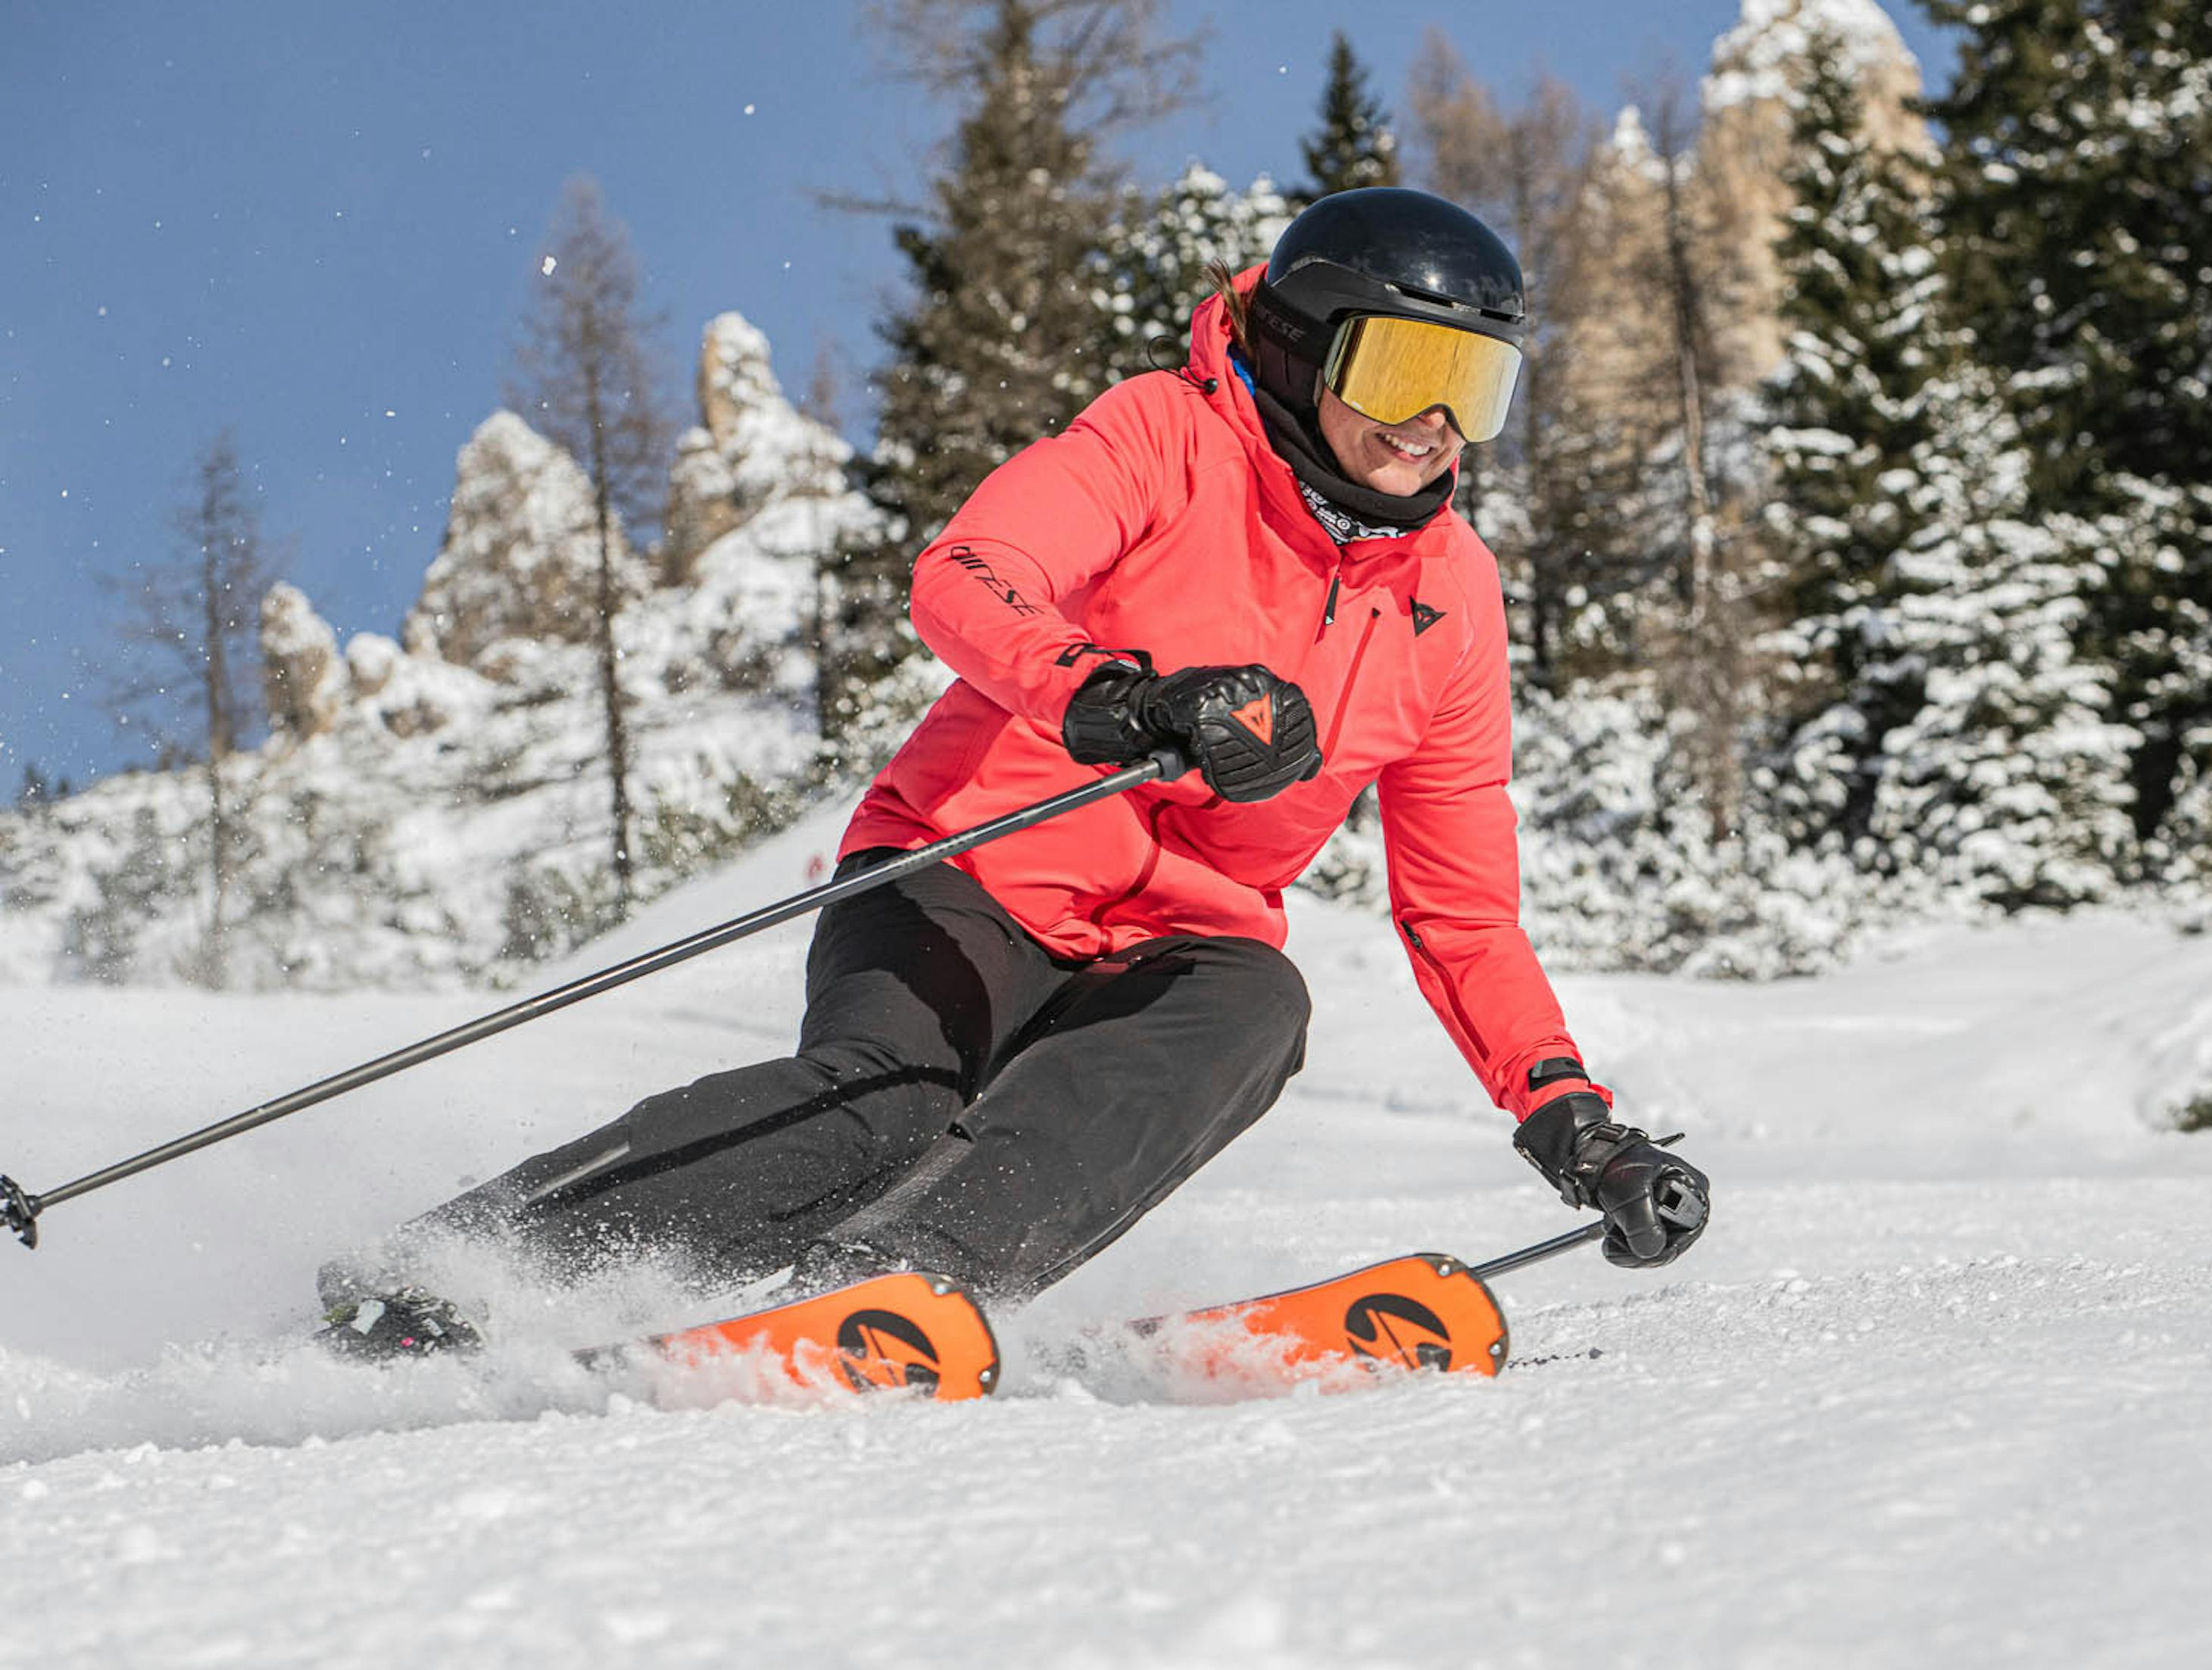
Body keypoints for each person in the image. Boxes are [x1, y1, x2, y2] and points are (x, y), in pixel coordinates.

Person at [320, 187, 1711, 1359]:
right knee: (890, 1101)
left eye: (1476, 387)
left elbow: (1461, 908)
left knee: (1258, 1001)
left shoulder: (1452, 598)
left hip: (1170, 944)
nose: (1435, 429)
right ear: (1296, 350)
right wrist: (1115, 696)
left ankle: (902, 1279)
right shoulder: (1167, 436)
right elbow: (969, 573)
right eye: (1404, 373)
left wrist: (1572, 1122)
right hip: (966, 872)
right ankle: (459, 1272)